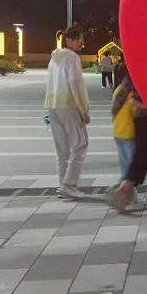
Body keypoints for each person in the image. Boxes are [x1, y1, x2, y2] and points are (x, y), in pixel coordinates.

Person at [44, 27, 90, 199]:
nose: (81, 44)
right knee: (81, 144)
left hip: (52, 105)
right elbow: (75, 83)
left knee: (62, 150)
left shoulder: (54, 58)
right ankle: (69, 185)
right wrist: (84, 109)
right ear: (69, 40)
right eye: (79, 40)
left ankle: (63, 186)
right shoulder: (72, 57)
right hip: (69, 105)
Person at [111, 73, 137, 184]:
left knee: (123, 162)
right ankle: (127, 187)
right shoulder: (132, 94)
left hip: (117, 131)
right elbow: (135, 112)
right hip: (129, 133)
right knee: (131, 164)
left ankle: (124, 182)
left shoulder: (118, 90)